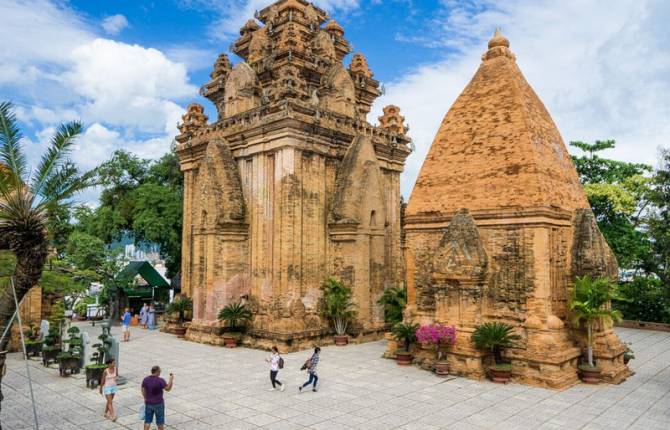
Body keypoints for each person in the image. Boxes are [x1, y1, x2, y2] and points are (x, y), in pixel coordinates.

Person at [142, 365, 174, 430]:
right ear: (157, 371)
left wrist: (146, 398)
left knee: (147, 421)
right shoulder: (160, 380)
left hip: (148, 403)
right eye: (160, 371)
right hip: (159, 403)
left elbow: (143, 390)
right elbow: (168, 389)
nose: (160, 373)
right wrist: (171, 380)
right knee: (160, 421)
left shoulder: (145, 379)